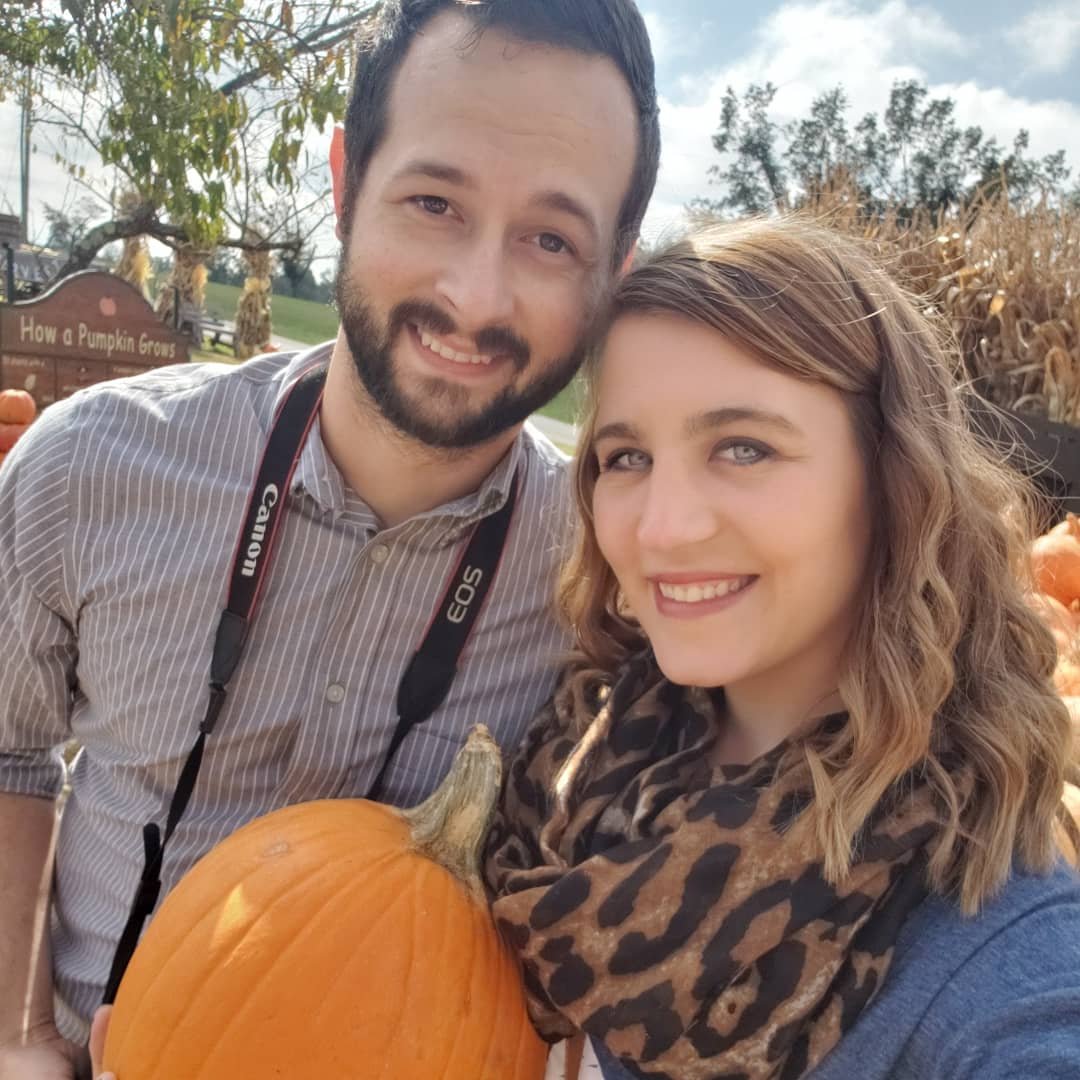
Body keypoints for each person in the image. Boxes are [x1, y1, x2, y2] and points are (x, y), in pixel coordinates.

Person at [0, 2, 660, 1076]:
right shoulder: (90, 467)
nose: (475, 297)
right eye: (435, 202)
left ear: (614, 268)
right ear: (348, 181)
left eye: (551, 239)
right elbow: (9, 748)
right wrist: (18, 1035)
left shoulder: (621, 573)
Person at [486, 217, 1080, 1079]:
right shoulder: (586, 742)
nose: (661, 528)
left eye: (743, 448)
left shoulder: (988, 936)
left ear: (894, 477)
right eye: (626, 457)